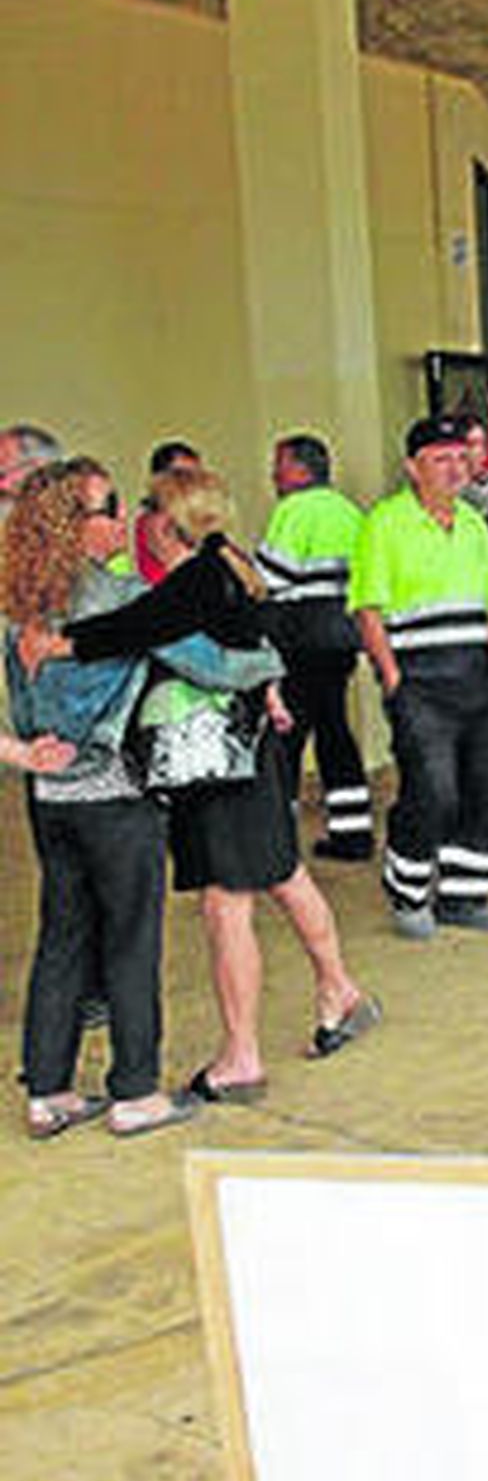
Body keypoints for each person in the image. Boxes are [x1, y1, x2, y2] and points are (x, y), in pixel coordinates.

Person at [151, 467, 380, 1097]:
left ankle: (241, 1056)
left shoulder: (190, 588)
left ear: (169, 522)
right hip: (252, 755)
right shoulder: (235, 569)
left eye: (148, 505)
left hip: (218, 761)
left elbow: (206, 661)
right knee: (283, 873)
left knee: (227, 905)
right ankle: (340, 988)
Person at [3, 459, 199, 1137]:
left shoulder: (21, 605)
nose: (124, 519)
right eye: (109, 507)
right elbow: (208, 657)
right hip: (114, 794)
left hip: (50, 796)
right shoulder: (123, 598)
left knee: (61, 937)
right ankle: (135, 1091)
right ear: (71, 527)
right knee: (131, 938)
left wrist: (22, 754)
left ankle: (48, 1091)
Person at [351, 415, 488, 937]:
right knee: (434, 790)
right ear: (412, 467)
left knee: (484, 787)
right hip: (421, 684)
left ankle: (463, 898)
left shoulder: (472, 523)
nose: (454, 469)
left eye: (460, 458)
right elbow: (368, 608)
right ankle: (408, 889)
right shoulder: (384, 522)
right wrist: (393, 677)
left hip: (479, 679)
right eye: (440, 459)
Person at [255, 432, 372, 860]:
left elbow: (270, 577)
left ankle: (275, 837)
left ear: (300, 469)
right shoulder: (348, 511)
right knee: (335, 731)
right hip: (342, 640)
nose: (273, 474)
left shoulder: (294, 509)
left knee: (285, 737)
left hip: (299, 641)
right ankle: (352, 831)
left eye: (278, 464)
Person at [133, 439, 201, 583]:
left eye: (196, 476)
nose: (191, 484)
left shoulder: (197, 518)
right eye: (182, 475)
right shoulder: (156, 522)